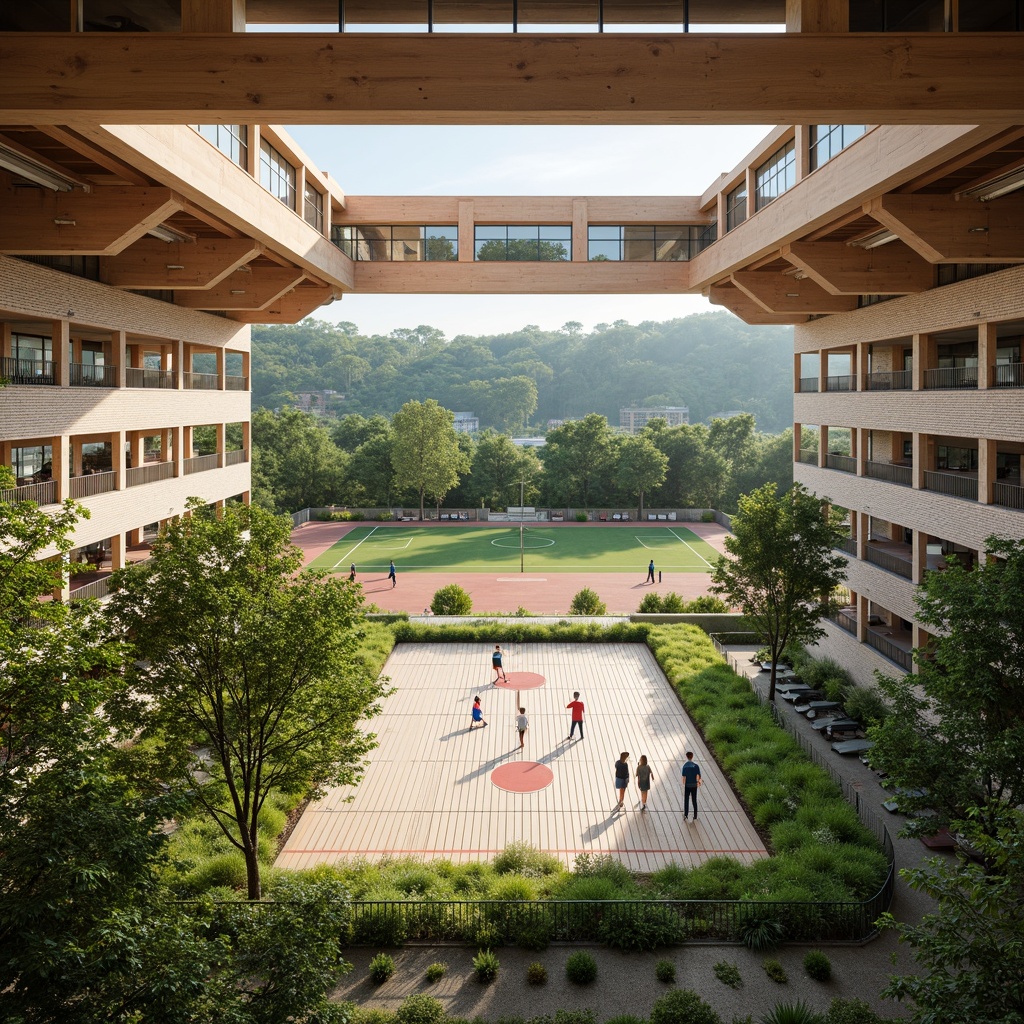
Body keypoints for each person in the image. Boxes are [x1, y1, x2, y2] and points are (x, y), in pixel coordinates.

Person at [681, 751, 702, 820]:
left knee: (686, 799)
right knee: (694, 800)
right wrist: (698, 782)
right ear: (692, 756)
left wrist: (684, 783)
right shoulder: (696, 766)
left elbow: (684, 777)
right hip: (694, 785)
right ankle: (695, 815)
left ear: (687, 756)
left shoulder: (685, 766)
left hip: (687, 785)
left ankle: (686, 814)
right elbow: (698, 776)